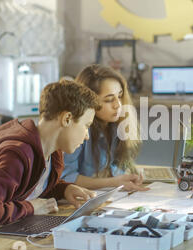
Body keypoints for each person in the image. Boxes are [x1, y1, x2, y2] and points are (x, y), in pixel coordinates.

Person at [0, 79, 100, 231]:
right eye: (86, 126)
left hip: (1, 232)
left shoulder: (53, 153)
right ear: (67, 119)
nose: (86, 136)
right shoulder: (16, 155)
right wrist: (30, 208)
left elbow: (31, 188)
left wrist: (64, 190)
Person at [61, 64, 148, 192]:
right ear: (88, 101)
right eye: (109, 100)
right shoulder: (78, 129)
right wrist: (113, 182)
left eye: (119, 96)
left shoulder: (115, 125)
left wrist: (130, 173)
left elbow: (116, 167)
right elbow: (66, 177)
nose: (118, 105)